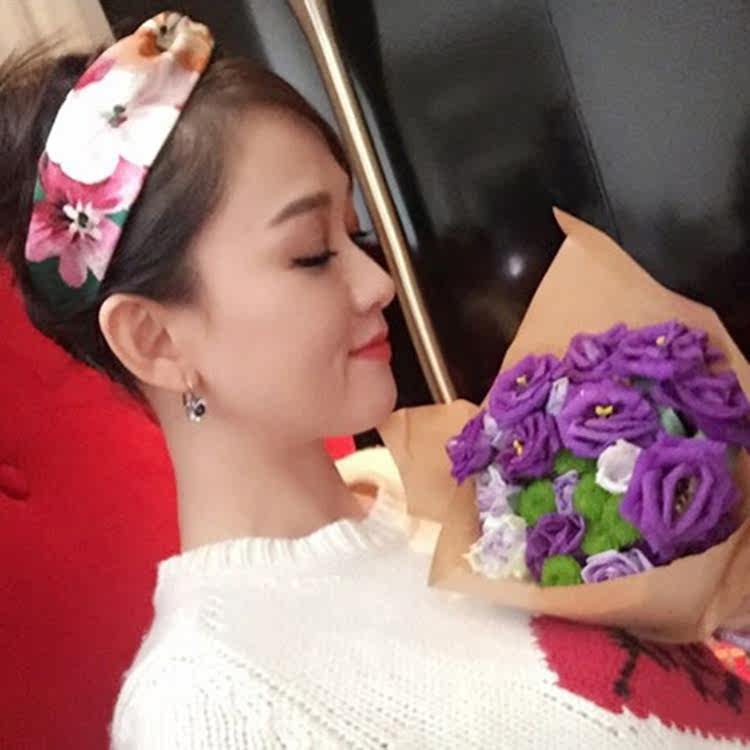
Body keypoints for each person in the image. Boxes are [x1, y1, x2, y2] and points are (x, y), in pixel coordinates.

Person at [2, 11, 747, 749]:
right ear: (154, 338)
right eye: (310, 253)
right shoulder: (208, 706)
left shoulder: (430, 493)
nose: (377, 283)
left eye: (354, 234)